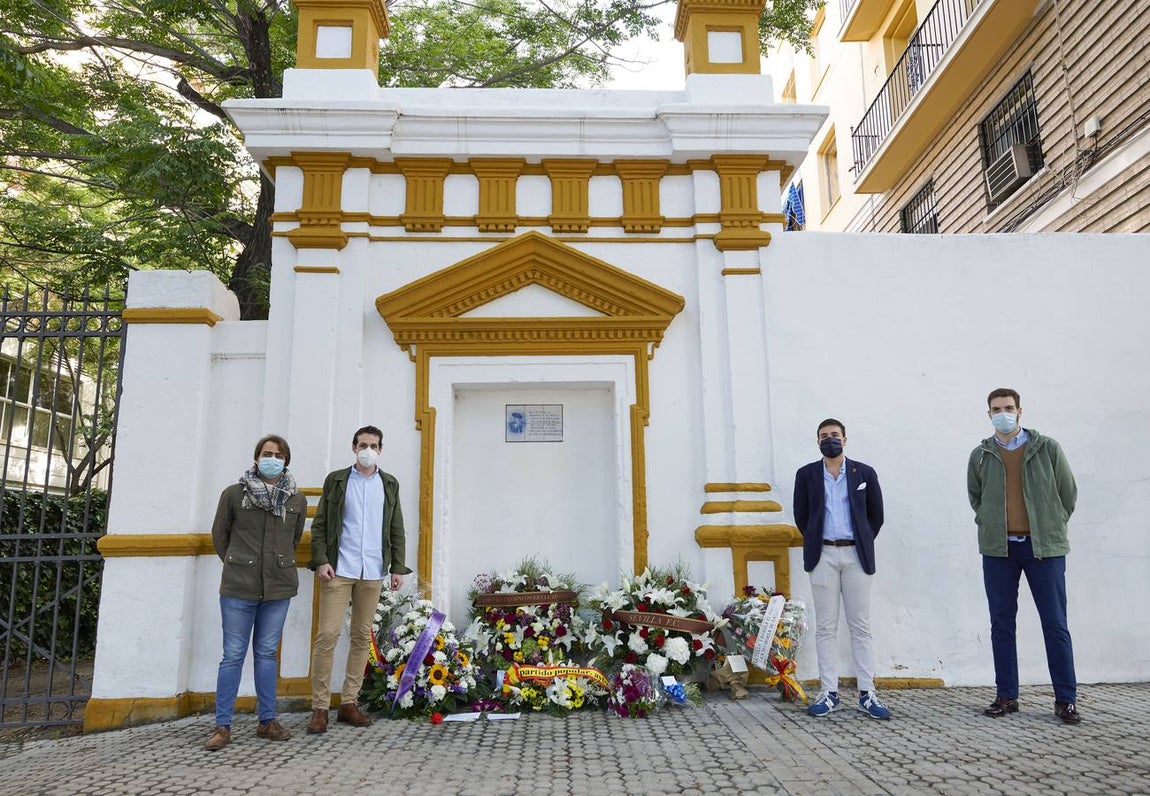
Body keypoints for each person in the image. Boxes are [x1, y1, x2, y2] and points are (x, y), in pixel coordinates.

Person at [968, 388, 1080, 724]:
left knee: (1055, 624)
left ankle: (1065, 700)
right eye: (996, 409)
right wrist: (990, 523)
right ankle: (1006, 695)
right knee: (1001, 624)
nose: (1003, 413)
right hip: (999, 550)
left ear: (1020, 411)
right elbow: (976, 498)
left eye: (1008, 407)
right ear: (989, 414)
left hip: (1043, 549)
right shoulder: (981, 455)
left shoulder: (1047, 448)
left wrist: (1050, 525)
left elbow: (1067, 494)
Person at [204, 434, 307, 751]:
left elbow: (294, 539)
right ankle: (222, 726)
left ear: (286, 461)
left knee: (266, 654)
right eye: (266, 453)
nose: (272, 458)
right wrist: (238, 562)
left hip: (278, 588)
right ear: (256, 457)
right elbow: (220, 535)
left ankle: (267, 720)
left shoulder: (296, 500)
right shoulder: (234, 494)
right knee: (233, 655)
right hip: (239, 587)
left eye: (278, 455)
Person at [306, 425, 411, 734]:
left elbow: (396, 527)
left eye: (373, 445)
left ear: (380, 450)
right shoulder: (337, 480)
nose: (368, 450)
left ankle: (349, 703)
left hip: (373, 570)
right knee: (327, 635)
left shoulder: (389, 484)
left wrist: (397, 567)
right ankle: (320, 708)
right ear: (353, 447)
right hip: (339, 569)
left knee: (362, 636)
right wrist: (322, 560)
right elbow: (321, 524)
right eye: (363, 444)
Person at [793, 418, 890, 720]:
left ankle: (867, 693)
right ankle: (829, 692)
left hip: (856, 555)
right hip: (822, 554)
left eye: (835, 435)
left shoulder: (864, 473)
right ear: (817, 441)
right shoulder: (806, 475)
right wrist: (817, 540)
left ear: (845, 440)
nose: (830, 439)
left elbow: (876, 516)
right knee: (825, 626)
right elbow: (802, 516)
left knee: (860, 626)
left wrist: (860, 539)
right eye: (824, 436)